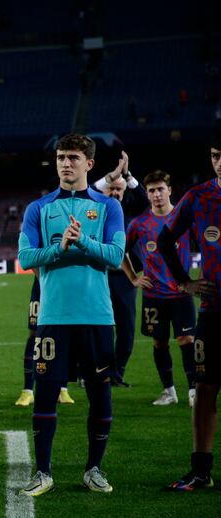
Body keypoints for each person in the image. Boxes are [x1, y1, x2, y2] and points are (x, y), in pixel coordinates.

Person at [17, 133, 125, 497]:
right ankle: (43, 471)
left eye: (74, 158)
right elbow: (25, 258)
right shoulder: (39, 208)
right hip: (53, 317)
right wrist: (60, 246)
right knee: (46, 394)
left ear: (89, 164)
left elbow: (114, 257)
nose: (65, 163)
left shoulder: (109, 207)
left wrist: (82, 242)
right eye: (61, 157)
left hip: (96, 316)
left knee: (100, 394)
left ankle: (94, 469)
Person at [158, 134, 221, 491]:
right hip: (213, 311)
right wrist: (185, 282)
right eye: (215, 155)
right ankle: (201, 470)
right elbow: (167, 240)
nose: (220, 162)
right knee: (205, 388)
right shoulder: (198, 197)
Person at [122, 171, 196, 407]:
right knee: (159, 343)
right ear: (147, 194)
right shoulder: (140, 224)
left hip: (181, 293)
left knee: (186, 339)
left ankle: (194, 390)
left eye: (160, 189)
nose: (156, 195)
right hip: (153, 296)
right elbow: (120, 251)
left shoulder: (185, 218)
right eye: (151, 190)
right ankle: (169, 391)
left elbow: (207, 243)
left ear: (170, 190)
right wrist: (133, 278)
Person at [94, 150, 148, 386]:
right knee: (100, 328)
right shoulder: (93, 208)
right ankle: (98, 373)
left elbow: (146, 201)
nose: (115, 193)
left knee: (126, 330)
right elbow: (90, 189)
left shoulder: (130, 213)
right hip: (100, 275)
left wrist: (127, 175)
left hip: (126, 278)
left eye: (119, 189)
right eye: (111, 189)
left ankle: (117, 374)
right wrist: (113, 175)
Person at [14, 275, 75, 407]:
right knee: (35, 334)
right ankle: (28, 391)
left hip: (66, 285)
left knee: (67, 333)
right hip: (43, 283)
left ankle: (62, 389)